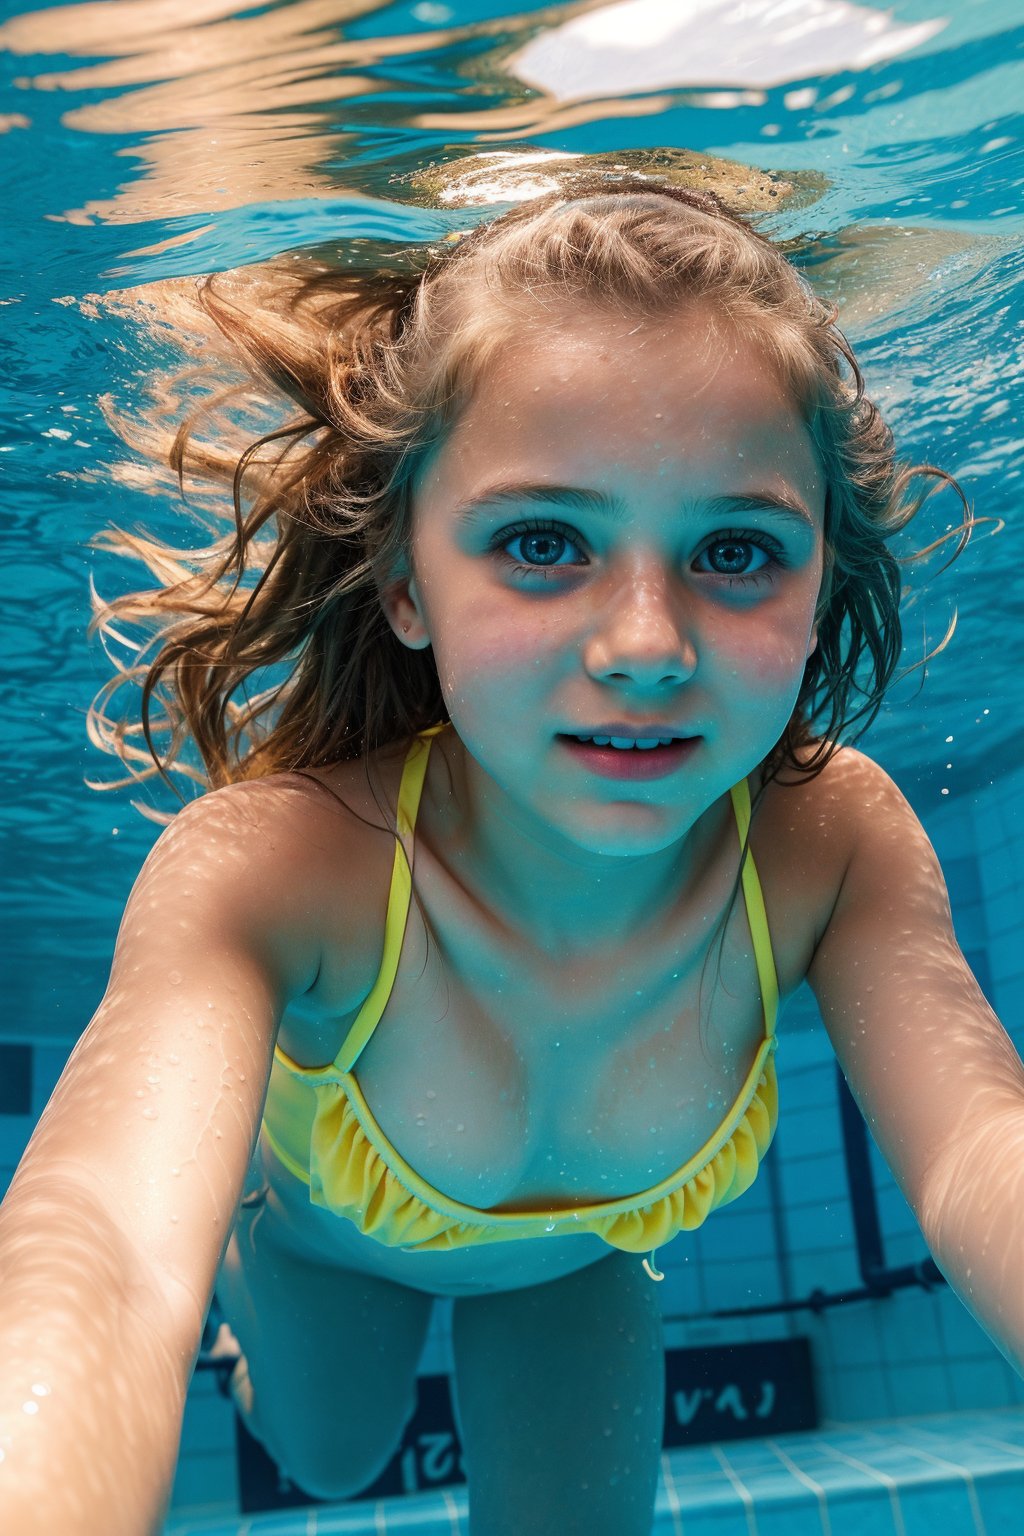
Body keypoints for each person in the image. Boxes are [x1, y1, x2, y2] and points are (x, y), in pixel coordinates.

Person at [3, 174, 1023, 1536]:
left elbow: (978, 1154)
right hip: (332, 1257)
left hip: (578, 1262)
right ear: (408, 581)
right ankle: (268, 1252)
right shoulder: (278, 867)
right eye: (543, 542)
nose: (647, 647)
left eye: (736, 550)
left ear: (825, 573)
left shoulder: (830, 842)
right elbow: (115, 1255)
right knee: (334, 1455)